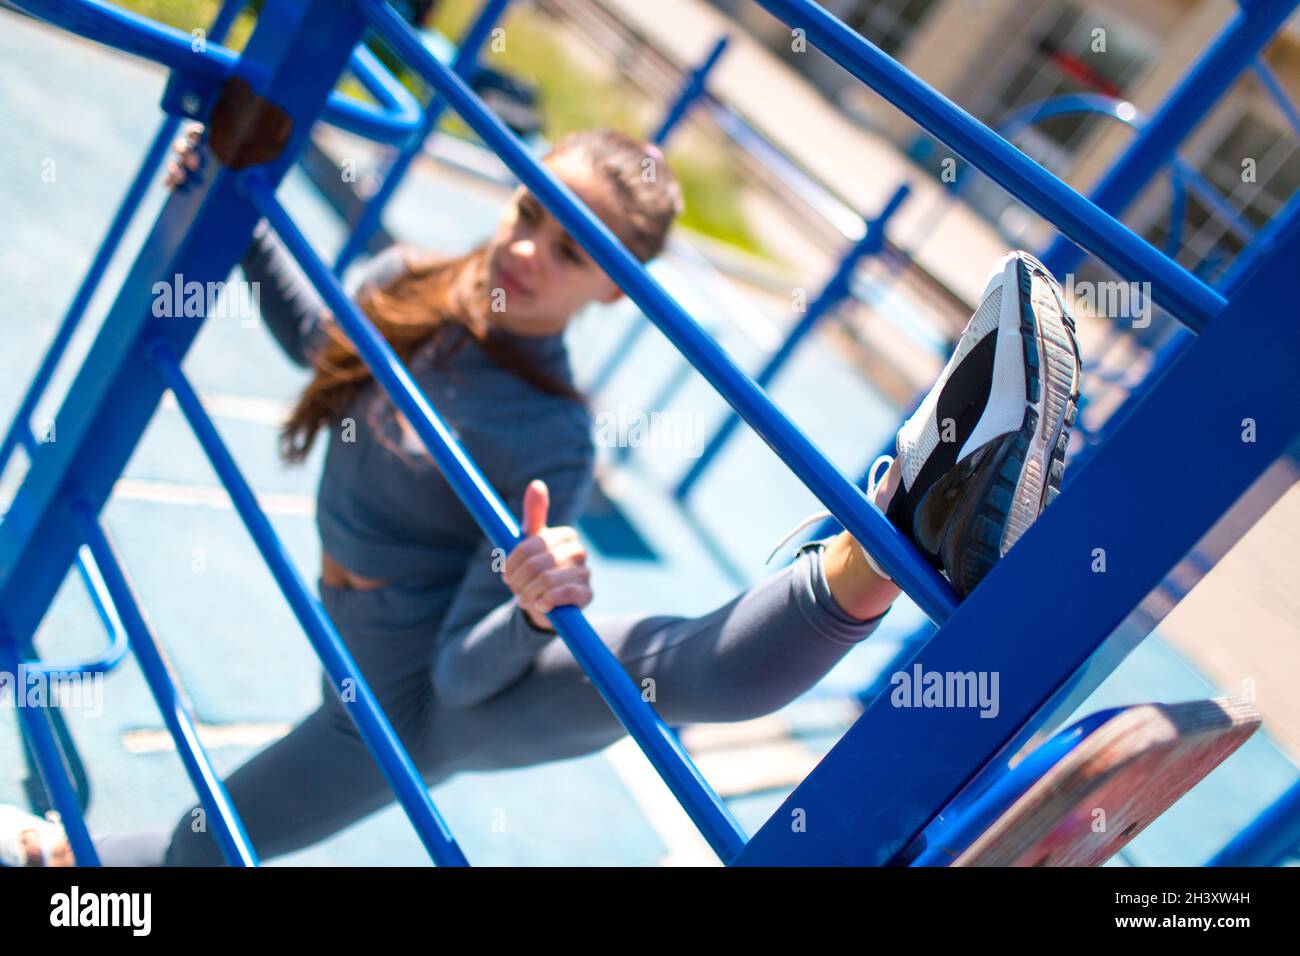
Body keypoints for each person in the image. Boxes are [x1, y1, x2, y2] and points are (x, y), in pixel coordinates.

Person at [0, 125, 1080, 866]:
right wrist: (231, 196)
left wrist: (527, 600)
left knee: (652, 666)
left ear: (610, 286)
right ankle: (53, 857)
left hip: (419, 698)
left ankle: (896, 533)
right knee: (202, 845)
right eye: (528, 211)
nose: (523, 250)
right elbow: (326, 340)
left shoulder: (546, 434)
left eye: (568, 251)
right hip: (372, 647)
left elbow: (464, 683)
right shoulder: (410, 281)